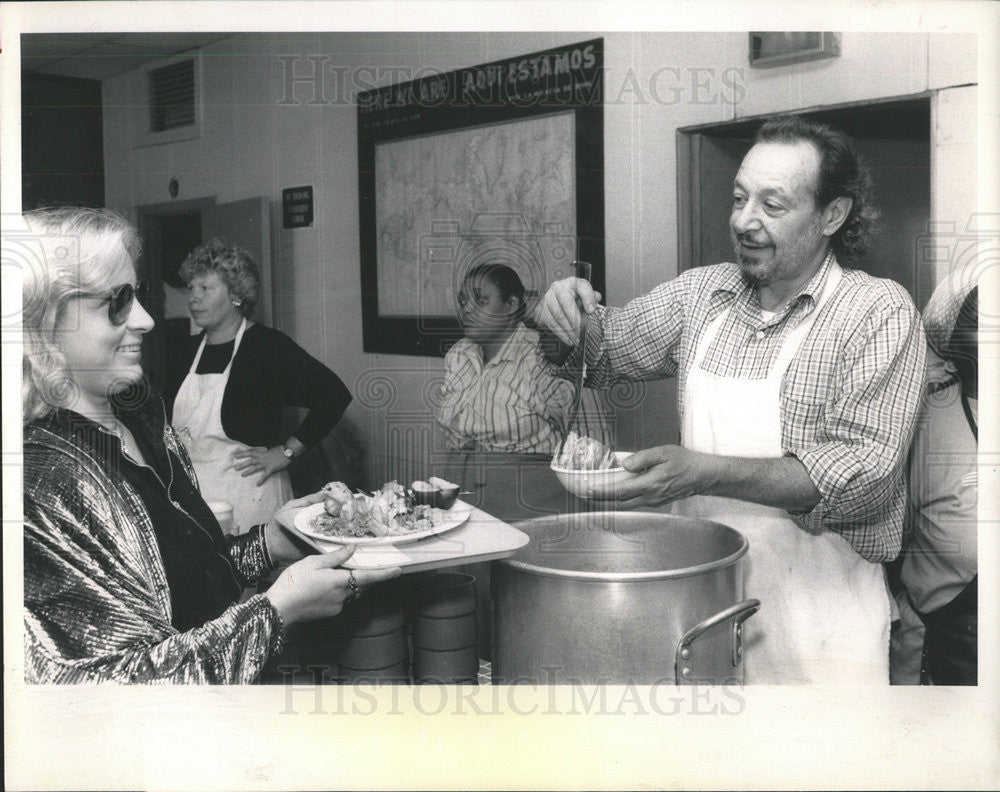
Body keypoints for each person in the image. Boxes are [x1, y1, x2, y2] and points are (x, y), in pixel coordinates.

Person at [535, 115, 926, 684]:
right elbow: (599, 350)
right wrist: (559, 315)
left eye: (773, 205)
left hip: (822, 630)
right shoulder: (702, 295)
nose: (745, 220)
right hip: (704, 608)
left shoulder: (877, 312)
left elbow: (863, 475)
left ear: (832, 216)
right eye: (740, 198)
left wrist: (701, 473)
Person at [21, 206, 398, 683]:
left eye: (135, 295)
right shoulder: (41, 481)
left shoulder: (139, 416)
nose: (146, 319)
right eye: (115, 302)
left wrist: (270, 541)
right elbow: (119, 697)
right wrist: (276, 611)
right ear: (42, 321)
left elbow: (183, 572)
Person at [435, 262, 614, 659]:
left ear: (513, 304)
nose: (466, 308)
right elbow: (456, 426)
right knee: (470, 618)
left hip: (532, 504)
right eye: (464, 300)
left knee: (527, 625)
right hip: (464, 500)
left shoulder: (544, 354)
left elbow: (590, 437)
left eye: (481, 300)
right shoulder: (459, 355)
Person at [166, 238, 352, 533]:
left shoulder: (267, 347)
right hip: (194, 502)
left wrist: (286, 452)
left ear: (236, 295)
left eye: (205, 289)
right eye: (191, 288)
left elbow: (334, 395)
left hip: (251, 501)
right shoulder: (183, 352)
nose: (193, 298)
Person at [893, 278, 978, 685]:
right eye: (980, 319)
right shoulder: (923, 413)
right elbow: (889, 525)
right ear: (950, 333)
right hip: (946, 631)